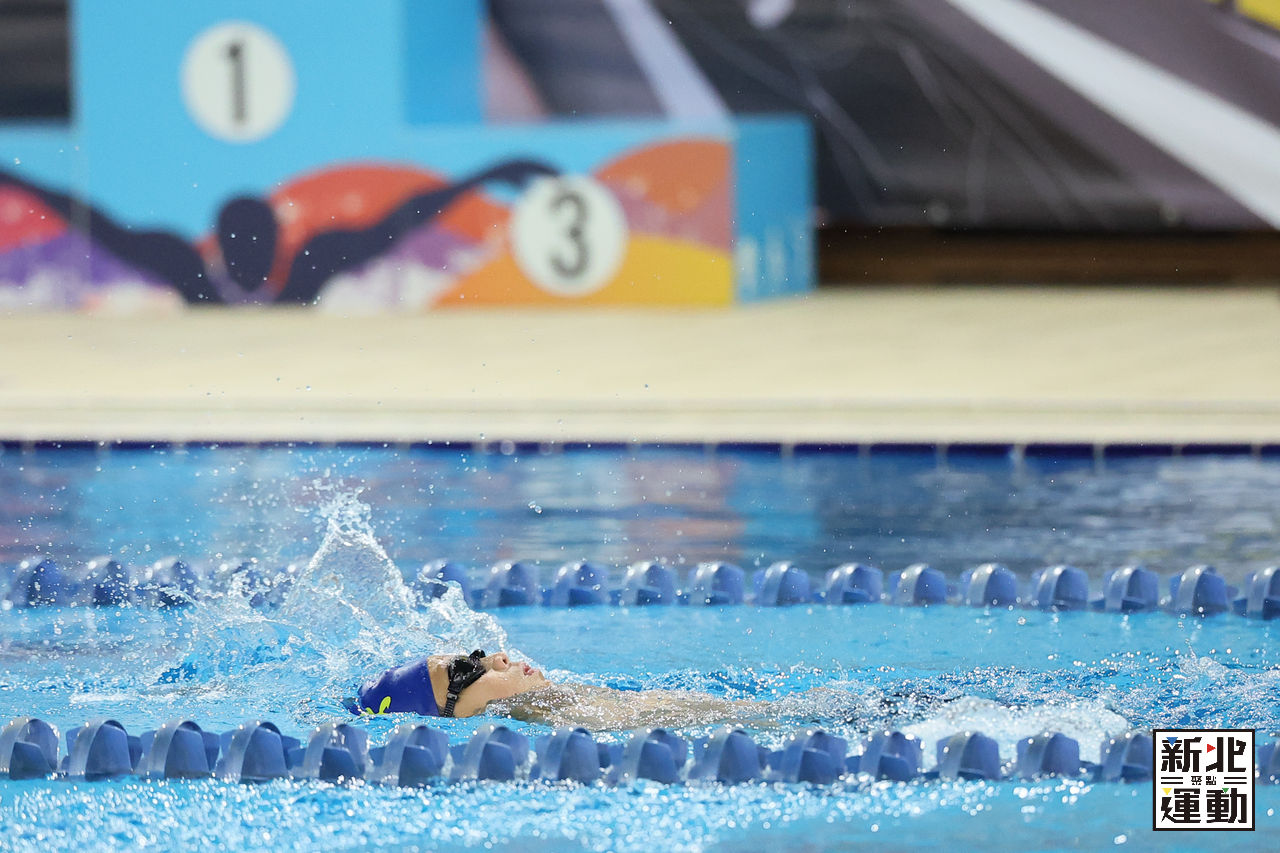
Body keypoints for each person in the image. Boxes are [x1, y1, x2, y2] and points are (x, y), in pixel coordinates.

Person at [349, 650, 943, 731]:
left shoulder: (559, 702)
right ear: (456, 712)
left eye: (477, 650)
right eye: (468, 669)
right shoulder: (567, 723)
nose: (498, 657)